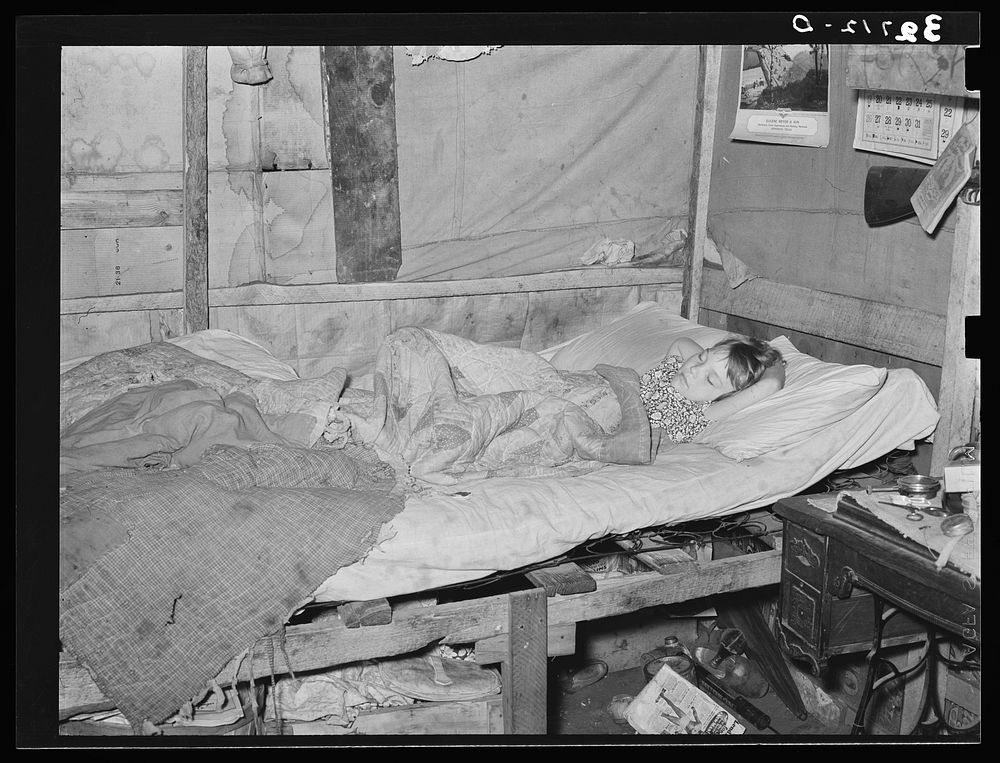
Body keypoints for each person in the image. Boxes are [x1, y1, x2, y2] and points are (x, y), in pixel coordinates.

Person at [640, 335, 785, 443]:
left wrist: (773, 359)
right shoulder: (673, 368)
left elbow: (771, 385)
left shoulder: (702, 412)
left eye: (710, 379)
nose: (695, 369)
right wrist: (712, 362)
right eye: (701, 358)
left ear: (726, 396)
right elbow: (682, 342)